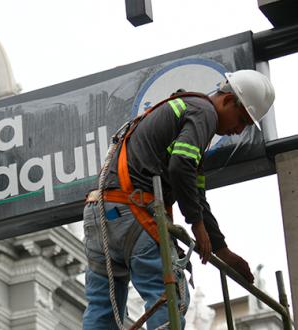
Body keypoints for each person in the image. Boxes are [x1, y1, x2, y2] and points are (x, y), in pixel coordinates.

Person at [82, 70, 275, 329]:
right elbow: (181, 165)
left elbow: (196, 193)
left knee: (102, 308)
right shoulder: (204, 112)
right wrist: (195, 223)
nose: (238, 130)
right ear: (228, 100)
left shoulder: (186, 119)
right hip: (132, 212)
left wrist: (221, 248)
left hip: (100, 213)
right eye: (242, 120)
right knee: (171, 298)